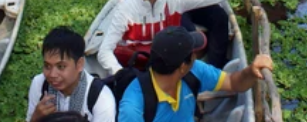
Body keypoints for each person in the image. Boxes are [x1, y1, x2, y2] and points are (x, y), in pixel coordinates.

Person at [97, 0, 281, 75]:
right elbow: (104, 51)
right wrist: (120, 74)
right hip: (138, 66)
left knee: (199, 40)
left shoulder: (174, 0)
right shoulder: (126, 9)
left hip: (166, 63)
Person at [118, 26, 275, 122]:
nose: (196, 56)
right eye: (193, 54)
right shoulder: (133, 107)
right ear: (182, 66)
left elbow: (234, 82)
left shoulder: (194, 71)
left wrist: (251, 71)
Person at [26, 27, 115, 122]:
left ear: (79, 64)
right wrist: (35, 118)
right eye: (47, 66)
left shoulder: (101, 98)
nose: (52, 74)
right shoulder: (39, 84)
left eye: (61, 66)